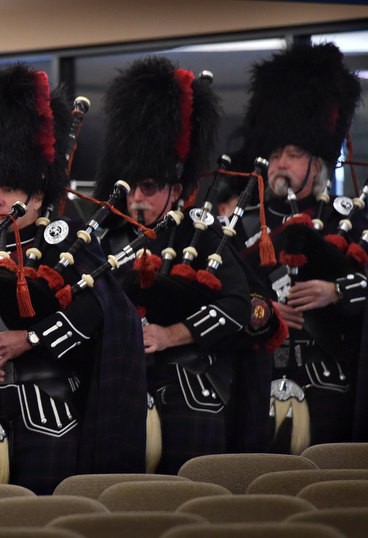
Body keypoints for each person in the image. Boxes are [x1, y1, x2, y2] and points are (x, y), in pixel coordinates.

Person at [0, 64, 146, 494]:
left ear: (36, 196)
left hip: (49, 411)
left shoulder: (68, 241)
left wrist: (30, 340)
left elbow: (100, 311)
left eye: (9, 190)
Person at [94, 57, 252, 473]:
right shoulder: (105, 241)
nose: (136, 200)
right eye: (130, 189)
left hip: (191, 391)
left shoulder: (202, 237)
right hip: (121, 396)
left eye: (150, 187)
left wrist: (171, 335)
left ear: (177, 189)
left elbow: (239, 308)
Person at [231, 42, 365, 450]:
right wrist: (264, 311)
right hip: (258, 382)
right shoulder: (241, 224)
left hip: (332, 380)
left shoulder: (352, 216)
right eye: (274, 154)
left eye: (293, 154)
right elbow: (226, 299)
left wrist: (335, 290)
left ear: (318, 162)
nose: (281, 164)